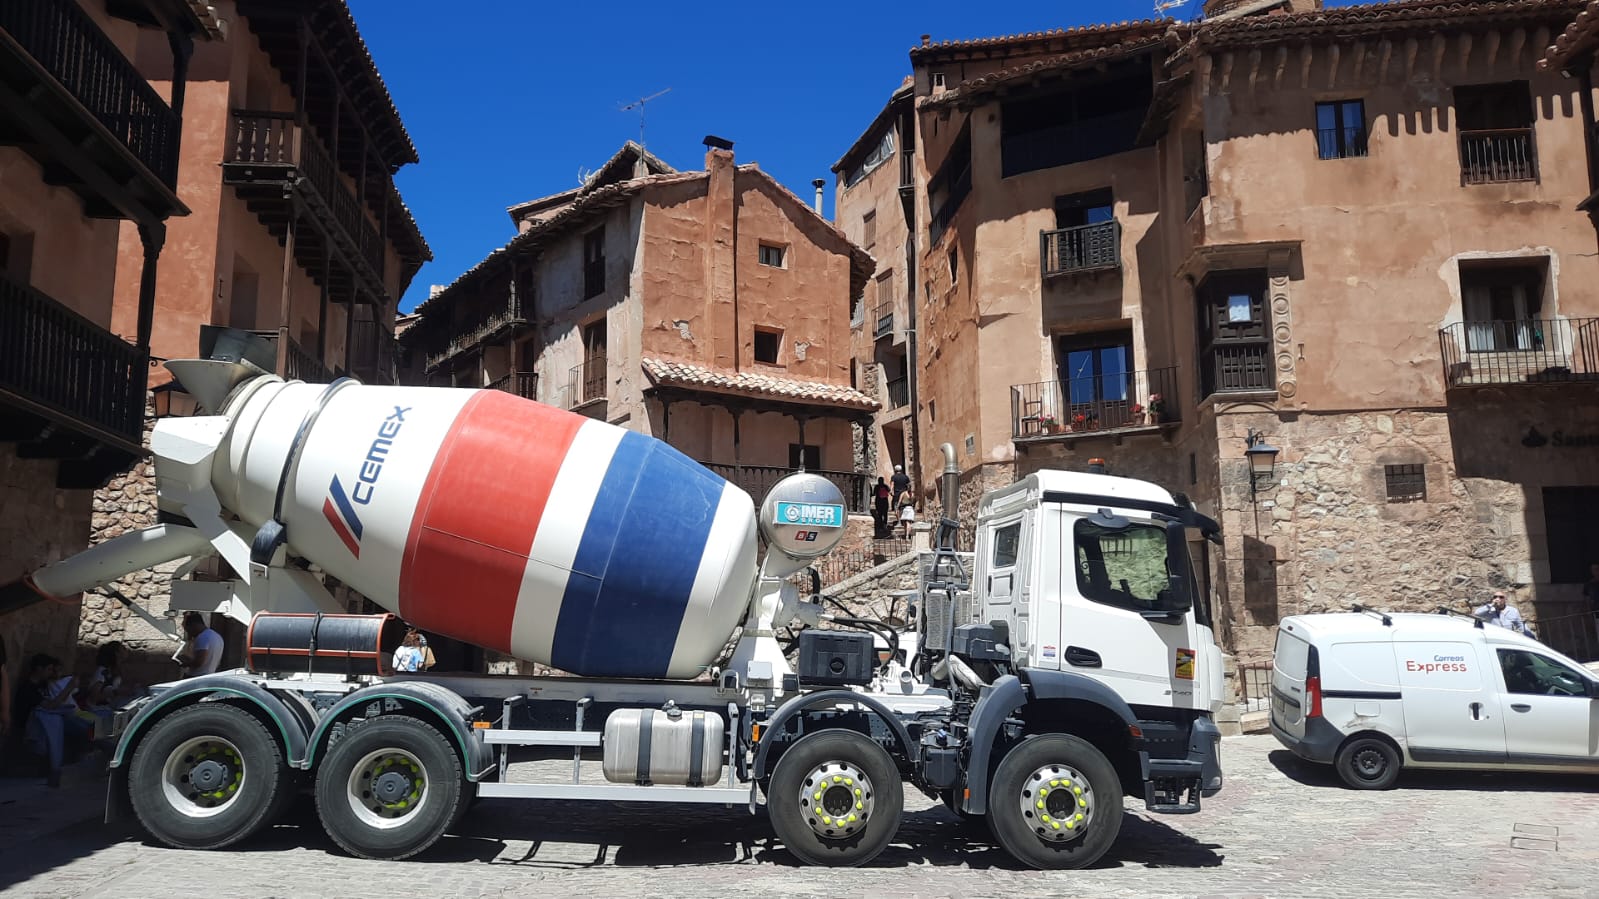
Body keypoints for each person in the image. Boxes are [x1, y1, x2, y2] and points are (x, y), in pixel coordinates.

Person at [15, 654, 93, 786]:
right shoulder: (28, 688)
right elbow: (50, 706)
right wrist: (68, 688)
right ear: (39, 669)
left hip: (53, 721)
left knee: (85, 723)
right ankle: (55, 769)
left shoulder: (44, 684)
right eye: (49, 669)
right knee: (54, 718)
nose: (51, 673)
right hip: (36, 728)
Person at [176, 612, 224, 677]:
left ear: (193, 626)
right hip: (209, 675)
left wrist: (185, 663)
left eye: (188, 630)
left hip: (196, 676)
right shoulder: (216, 636)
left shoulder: (203, 637)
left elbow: (199, 662)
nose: (189, 634)